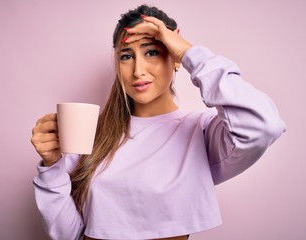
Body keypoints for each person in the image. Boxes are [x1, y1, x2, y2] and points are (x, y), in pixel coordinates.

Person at [31, 4, 285, 240]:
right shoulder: (92, 133)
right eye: (126, 56)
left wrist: (188, 52)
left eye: (152, 52)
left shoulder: (201, 130)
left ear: (174, 58)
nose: (138, 70)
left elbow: (263, 126)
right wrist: (53, 166)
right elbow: (68, 234)